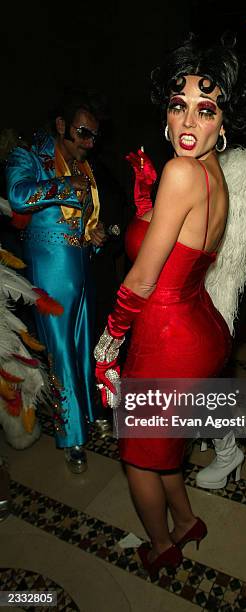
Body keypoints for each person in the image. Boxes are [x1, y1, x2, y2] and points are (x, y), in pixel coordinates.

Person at [94, 33, 246, 578]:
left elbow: (144, 278)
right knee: (163, 447)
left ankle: (160, 546)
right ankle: (185, 522)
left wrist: (107, 345)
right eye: (180, 106)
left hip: (167, 336)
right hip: (198, 327)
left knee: (136, 456)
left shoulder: (183, 173)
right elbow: (169, 235)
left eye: (206, 110)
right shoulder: (207, 174)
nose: (188, 123)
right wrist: (144, 194)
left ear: (223, 124)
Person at [6, 89, 109, 474]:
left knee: (83, 348)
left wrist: (93, 236)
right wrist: (64, 189)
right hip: (49, 273)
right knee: (61, 353)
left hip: (80, 270)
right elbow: (18, 196)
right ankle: (70, 436)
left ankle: (85, 416)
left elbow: (79, 223)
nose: (88, 143)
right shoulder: (28, 155)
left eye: (93, 136)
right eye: (82, 133)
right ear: (62, 126)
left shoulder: (83, 168)